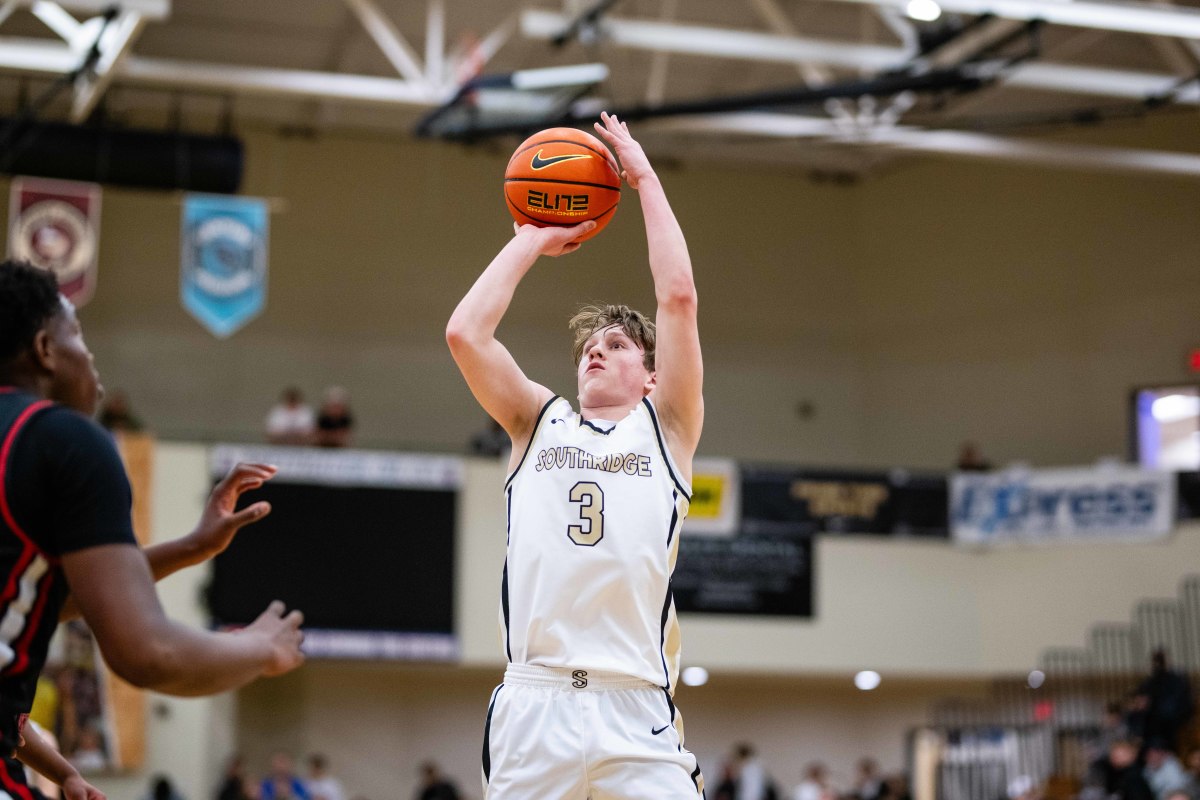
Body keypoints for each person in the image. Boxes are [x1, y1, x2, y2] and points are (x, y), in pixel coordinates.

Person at [446, 112, 705, 799]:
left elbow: (678, 299)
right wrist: (531, 238)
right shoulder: (538, 422)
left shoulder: (667, 428)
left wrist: (644, 178)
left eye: (618, 345)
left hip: (636, 705)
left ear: (651, 376)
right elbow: (466, 334)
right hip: (536, 705)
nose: (597, 349)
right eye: (591, 346)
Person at [0, 259, 306, 799]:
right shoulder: (64, 442)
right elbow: (147, 652)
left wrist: (191, 547)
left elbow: (44, 596)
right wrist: (259, 647)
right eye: (81, 341)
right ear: (45, 351)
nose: (92, 363)